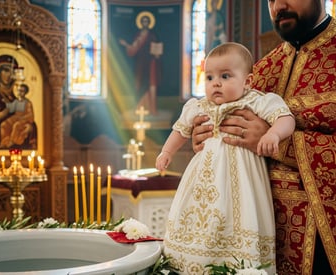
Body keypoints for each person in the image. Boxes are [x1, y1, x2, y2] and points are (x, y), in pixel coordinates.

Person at [191, 1, 336, 274]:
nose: (279, 6)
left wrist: (282, 144)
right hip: (254, 234)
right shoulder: (260, 70)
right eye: (270, 0)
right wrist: (206, 134)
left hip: (321, 244)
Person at [156, 42, 295, 274]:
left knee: (237, 216)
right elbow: (180, 131)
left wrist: (273, 133)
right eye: (209, 77)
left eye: (225, 76)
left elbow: (285, 117)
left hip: (242, 179)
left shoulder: (256, 101)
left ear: (247, 81)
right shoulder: (199, 106)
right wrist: (166, 152)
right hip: (204, 176)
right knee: (200, 217)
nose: (216, 83)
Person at [0, 54, 37, 150]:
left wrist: (30, 129)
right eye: (6, 70)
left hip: (19, 149)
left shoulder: (19, 98)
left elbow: (30, 119)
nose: (10, 75)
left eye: (13, 72)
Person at [119, 11, 161, 115]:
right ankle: (139, 107)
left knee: (151, 84)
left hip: (151, 64)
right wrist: (126, 45)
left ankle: (152, 109)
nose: (145, 23)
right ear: (141, 23)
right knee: (139, 84)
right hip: (140, 64)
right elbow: (133, 49)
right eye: (143, 21)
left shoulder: (152, 35)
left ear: (149, 23)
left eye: (147, 21)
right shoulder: (138, 36)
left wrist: (157, 54)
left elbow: (156, 48)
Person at [0, 83, 35, 149]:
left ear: (25, 92)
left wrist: (22, 118)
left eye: (22, 91)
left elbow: (30, 115)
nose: (20, 93)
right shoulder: (16, 101)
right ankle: (4, 142)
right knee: (3, 124)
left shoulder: (28, 103)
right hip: (15, 117)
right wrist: (6, 102)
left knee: (16, 125)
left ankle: (12, 141)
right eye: (19, 91)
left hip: (24, 120)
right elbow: (11, 108)